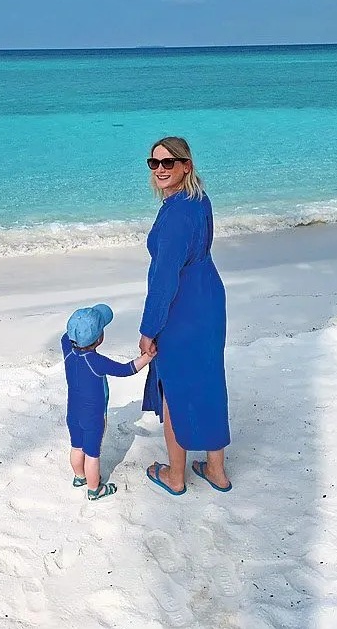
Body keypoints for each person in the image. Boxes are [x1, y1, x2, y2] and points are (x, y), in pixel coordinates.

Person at [139, 136, 232, 496]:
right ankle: (216, 470)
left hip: (183, 307)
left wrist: (149, 328)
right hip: (208, 297)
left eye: (168, 163)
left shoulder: (177, 213)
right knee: (209, 381)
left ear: (185, 166)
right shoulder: (198, 200)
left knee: (174, 389)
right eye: (154, 163)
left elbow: (164, 280)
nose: (161, 169)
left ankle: (176, 477)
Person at [62, 303, 154, 501]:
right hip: (94, 417)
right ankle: (95, 490)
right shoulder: (96, 361)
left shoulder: (67, 349)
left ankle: (79, 477)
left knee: (77, 447)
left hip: (72, 413)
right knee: (92, 454)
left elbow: (67, 335)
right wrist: (148, 357)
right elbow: (126, 369)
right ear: (99, 339)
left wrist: (78, 326)